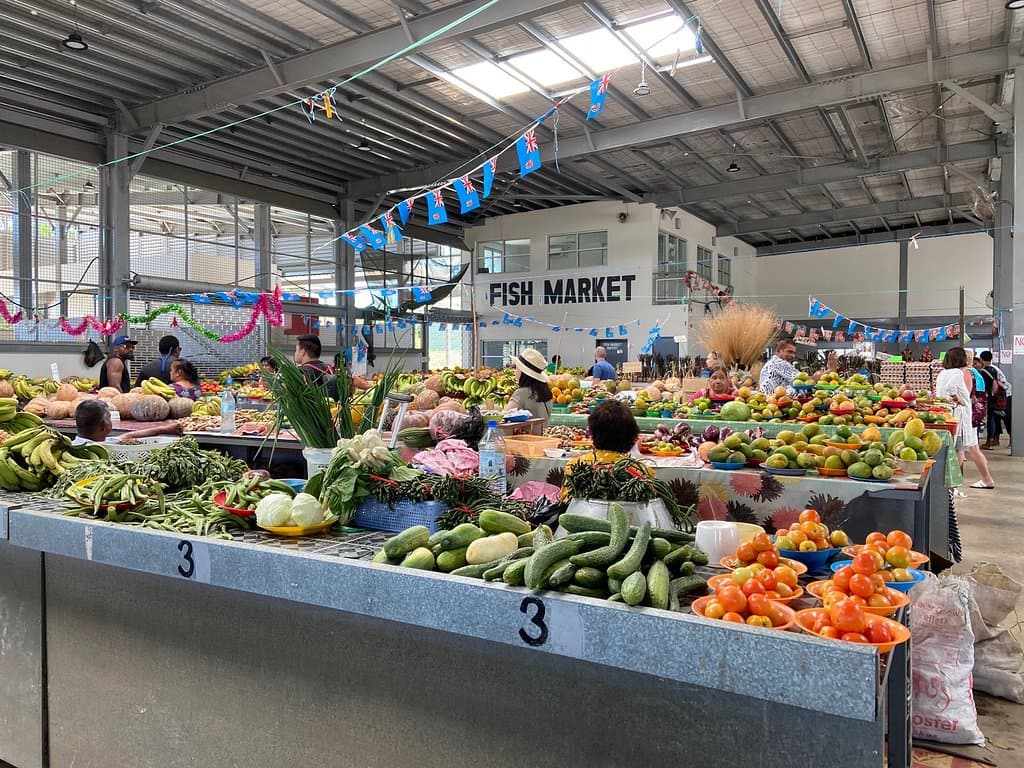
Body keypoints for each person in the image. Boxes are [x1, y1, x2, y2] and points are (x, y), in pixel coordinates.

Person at [935, 347, 995, 490]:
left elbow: (941, 392)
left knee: (959, 449)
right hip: (960, 417)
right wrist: (958, 400)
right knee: (962, 449)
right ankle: (955, 483)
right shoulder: (960, 372)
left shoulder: (943, 373)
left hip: (947, 415)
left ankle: (952, 484)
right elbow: (955, 390)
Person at [563, 400, 651, 482]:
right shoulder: (642, 472)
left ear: (592, 434)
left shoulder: (574, 467)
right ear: (632, 436)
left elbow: (565, 497)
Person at [73, 400, 183, 446]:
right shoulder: (103, 448)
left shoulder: (75, 444)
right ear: (103, 427)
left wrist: (166, 429)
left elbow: (128, 436)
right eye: (109, 419)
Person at [506, 349, 553, 429]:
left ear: (523, 372)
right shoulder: (546, 392)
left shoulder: (521, 393)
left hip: (526, 439)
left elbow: (507, 420)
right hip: (543, 438)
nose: (515, 371)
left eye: (517, 367)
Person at [980, 350, 1011, 448]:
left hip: (1000, 396)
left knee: (1000, 418)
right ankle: (995, 440)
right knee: (996, 417)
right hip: (1003, 395)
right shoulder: (994, 368)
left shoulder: (986, 370)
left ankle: (990, 441)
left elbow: (987, 387)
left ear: (981, 359)